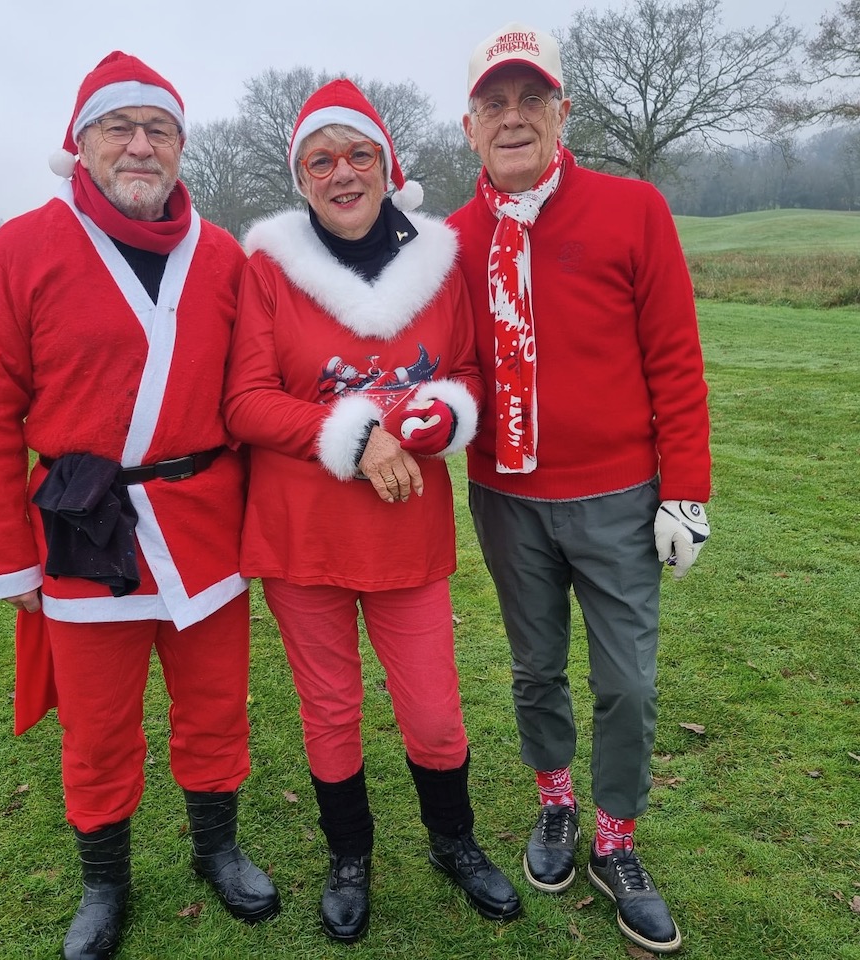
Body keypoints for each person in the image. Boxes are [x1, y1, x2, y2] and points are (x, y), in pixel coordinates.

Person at [0, 51, 280, 960]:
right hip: (84, 530)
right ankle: (106, 882)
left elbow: (253, 396)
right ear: (82, 142)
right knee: (98, 728)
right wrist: (8, 561)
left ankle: (217, 850)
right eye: (119, 128)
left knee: (216, 707)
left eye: (159, 130)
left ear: (180, 146)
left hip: (205, 525)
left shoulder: (221, 255)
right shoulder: (21, 248)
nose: (140, 146)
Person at [225, 78, 521, 943]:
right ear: (301, 178)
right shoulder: (269, 269)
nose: (342, 173)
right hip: (303, 532)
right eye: (321, 161)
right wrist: (355, 437)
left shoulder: (438, 263)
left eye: (359, 154)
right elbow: (245, 400)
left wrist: (446, 415)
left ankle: (454, 840)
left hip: (405, 526)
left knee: (433, 709)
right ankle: (349, 856)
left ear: (388, 166)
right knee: (330, 709)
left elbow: (465, 373)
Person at [447, 23, 713, 955]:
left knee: (628, 683)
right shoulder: (452, 240)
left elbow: (675, 358)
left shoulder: (633, 209)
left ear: (562, 113)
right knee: (536, 669)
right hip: (507, 497)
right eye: (494, 104)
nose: (513, 118)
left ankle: (617, 839)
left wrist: (686, 489)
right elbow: (445, 368)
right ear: (470, 127)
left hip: (618, 496)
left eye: (532, 100)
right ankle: (556, 803)